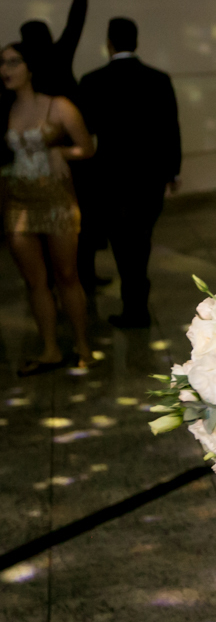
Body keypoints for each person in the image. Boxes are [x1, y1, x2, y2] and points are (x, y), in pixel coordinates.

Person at [79, 17, 182, 329]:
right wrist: (173, 171)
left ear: (109, 43)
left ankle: (134, 306)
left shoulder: (92, 81)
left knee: (122, 242)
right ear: (136, 42)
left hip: (111, 175)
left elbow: (87, 129)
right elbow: (170, 129)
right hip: (150, 175)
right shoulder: (158, 79)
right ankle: (137, 302)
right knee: (141, 238)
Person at [1, 42, 96, 374]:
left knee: (67, 275)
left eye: (13, 62)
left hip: (56, 200)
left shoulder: (58, 105)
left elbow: (87, 147)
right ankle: (50, 349)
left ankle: (82, 345)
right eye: (2, 63)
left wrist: (62, 153)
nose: (5, 70)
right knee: (34, 281)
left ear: (30, 68)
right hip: (19, 202)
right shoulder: (5, 109)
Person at [22, 0, 103, 288]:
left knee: (49, 217)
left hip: (42, 154)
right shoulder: (59, 53)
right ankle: (86, 275)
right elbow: (74, 24)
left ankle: (53, 278)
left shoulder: (25, 74)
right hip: (74, 150)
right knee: (83, 213)